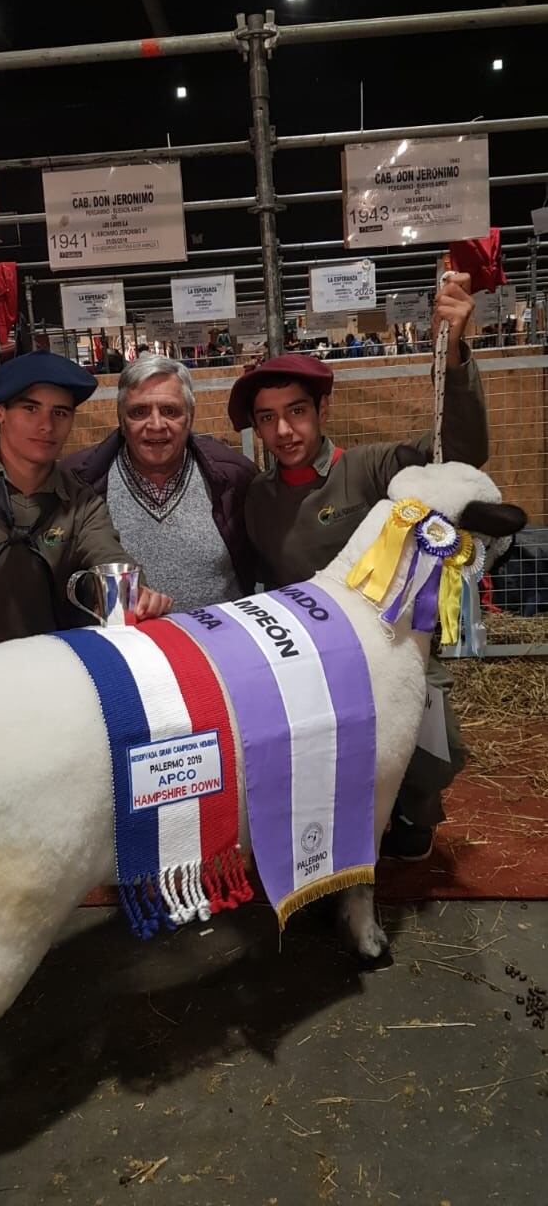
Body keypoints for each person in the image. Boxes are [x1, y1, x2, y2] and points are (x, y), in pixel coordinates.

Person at [227, 274, 488, 861]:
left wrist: (456, 351)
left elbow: (460, 453)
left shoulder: (372, 469)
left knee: (437, 750)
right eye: (267, 419)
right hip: (312, 659)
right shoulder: (258, 497)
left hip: (392, 651)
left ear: (322, 407)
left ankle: (414, 809)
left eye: (296, 411)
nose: (284, 430)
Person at [0, 352, 171, 673]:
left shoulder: (80, 501)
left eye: (60, 412)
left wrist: (133, 592)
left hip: (52, 680)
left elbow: (107, 555)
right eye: (30, 409)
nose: (46, 425)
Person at [64, 355, 258, 613]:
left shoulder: (234, 476)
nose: (156, 425)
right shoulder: (78, 481)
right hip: (126, 649)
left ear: (190, 416)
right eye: (139, 412)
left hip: (218, 646)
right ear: (121, 419)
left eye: (170, 411)